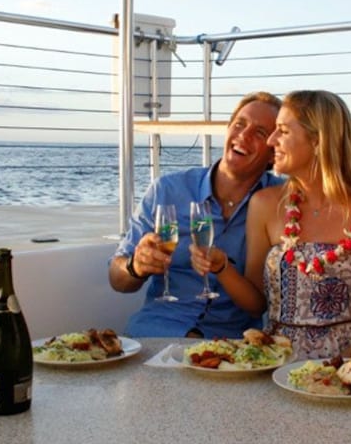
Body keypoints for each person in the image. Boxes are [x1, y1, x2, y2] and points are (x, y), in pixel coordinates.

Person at [195, 90, 351, 360]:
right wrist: (221, 267)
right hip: (275, 362)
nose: (272, 140)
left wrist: (338, 366)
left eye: (282, 131)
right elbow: (256, 303)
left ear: (318, 140)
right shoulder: (264, 204)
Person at [109, 91, 282, 339]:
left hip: (231, 343)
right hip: (158, 330)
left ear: (273, 154)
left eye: (260, 133)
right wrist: (135, 266)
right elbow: (117, 280)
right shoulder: (167, 190)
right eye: (239, 125)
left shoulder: (280, 202)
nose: (243, 136)